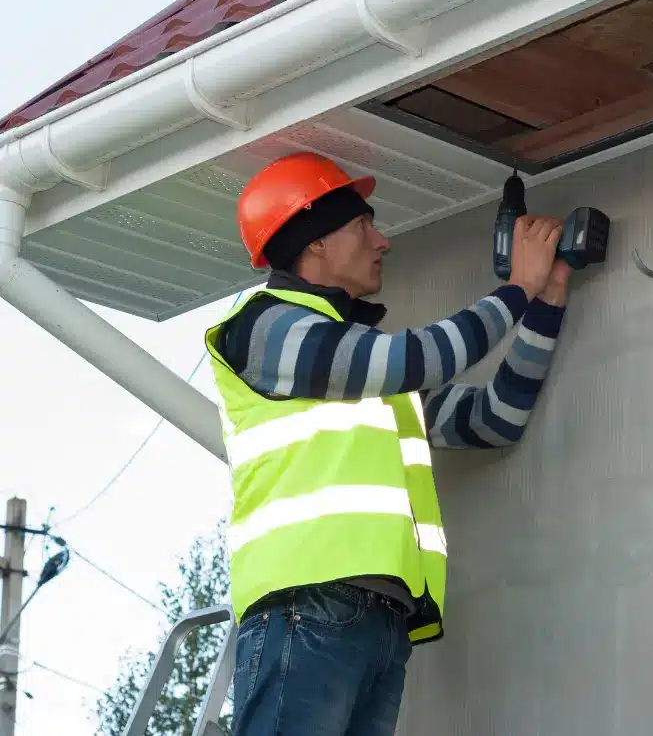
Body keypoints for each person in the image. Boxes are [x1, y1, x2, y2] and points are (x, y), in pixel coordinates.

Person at [204, 152, 572, 736]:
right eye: (362, 225)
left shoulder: (361, 372)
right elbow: (414, 358)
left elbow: (494, 419)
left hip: (378, 618)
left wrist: (544, 306)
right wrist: (518, 288)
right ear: (315, 242)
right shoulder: (265, 327)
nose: (382, 241)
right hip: (306, 603)